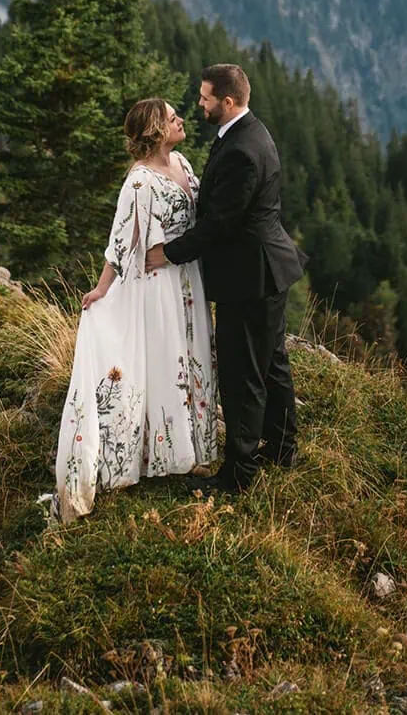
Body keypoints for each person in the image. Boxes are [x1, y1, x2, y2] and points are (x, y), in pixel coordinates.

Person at [53, 98, 218, 522]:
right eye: (172, 117)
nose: (180, 119)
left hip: (188, 276)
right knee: (168, 361)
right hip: (160, 285)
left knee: (195, 354)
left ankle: (194, 448)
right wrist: (101, 288)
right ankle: (163, 454)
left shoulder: (181, 162)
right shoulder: (140, 182)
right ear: (156, 130)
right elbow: (122, 241)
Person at [145, 64, 304, 493]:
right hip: (265, 269)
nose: (199, 104)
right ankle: (282, 449)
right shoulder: (248, 132)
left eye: (205, 98)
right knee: (271, 363)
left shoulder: (240, 150)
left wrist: (167, 254)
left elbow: (218, 224)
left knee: (242, 374)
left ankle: (239, 474)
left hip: (249, 276)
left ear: (227, 102)